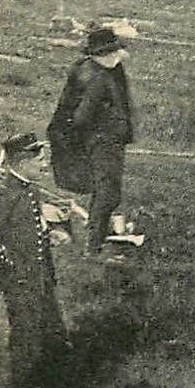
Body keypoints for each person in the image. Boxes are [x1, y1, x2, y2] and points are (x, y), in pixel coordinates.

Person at [0, 138, 82, 388]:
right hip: (22, 285)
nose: (44, 164)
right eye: (39, 160)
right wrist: (12, 275)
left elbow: (32, 234)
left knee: (54, 339)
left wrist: (51, 238)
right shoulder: (3, 196)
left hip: (42, 281)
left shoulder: (30, 191)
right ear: (22, 161)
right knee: (27, 345)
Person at [47, 27, 134, 254]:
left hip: (102, 139)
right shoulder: (98, 77)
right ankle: (94, 242)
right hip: (104, 140)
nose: (116, 56)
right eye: (111, 52)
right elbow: (82, 116)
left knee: (106, 189)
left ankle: (98, 234)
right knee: (108, 191)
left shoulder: (92, 69)